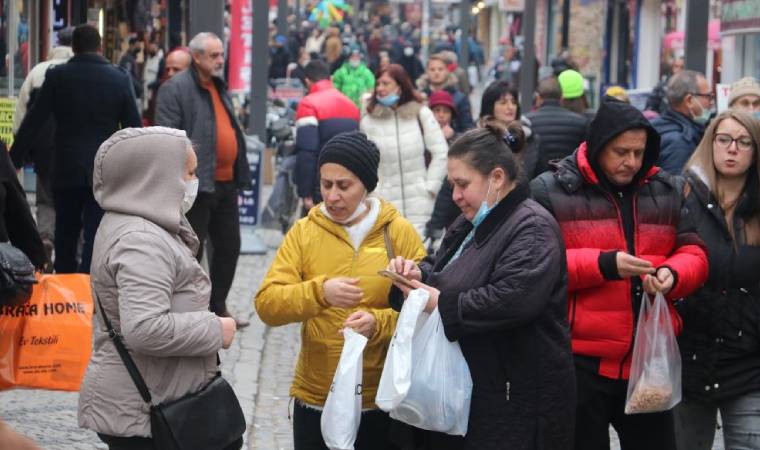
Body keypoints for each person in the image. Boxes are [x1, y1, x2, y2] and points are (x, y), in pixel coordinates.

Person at [530, 97, 709, 450]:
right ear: (597, 148)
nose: (631, 162)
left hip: (648, 360)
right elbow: (536, 264)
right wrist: (604, 265)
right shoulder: (549, 190)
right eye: (620, 152)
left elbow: (694, 251)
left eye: (639, 152)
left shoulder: (667, 189)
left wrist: (673, 274)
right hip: (579, 361)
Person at [387, 122, 575, 449]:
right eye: (452, 185)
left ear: (497, 178)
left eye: (463, 184)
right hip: (481, 391)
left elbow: (512, 300)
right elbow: (445, 264)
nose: (456, 196)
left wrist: (438, 302)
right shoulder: (475, 218)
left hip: (517, 399)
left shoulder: (531, 227)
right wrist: (416, 273)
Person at [256, 131, 426, 450]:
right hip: (316, 394)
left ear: (366, 186)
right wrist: (320, 293)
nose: (332, 196)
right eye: (325, 184)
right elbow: (267, 304)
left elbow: (424, 310)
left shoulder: (397, 233)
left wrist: (378, 323)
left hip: (380, 398)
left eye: (344, 186)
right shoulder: (304, 232)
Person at [78, 127, 239, 450]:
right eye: (189, 173)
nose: (193, 183)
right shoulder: (142, 240)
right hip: (144, 410)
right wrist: (216, 328)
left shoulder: (141, 224)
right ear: (156, 177)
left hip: (154, 395)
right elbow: (145, 327)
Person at [13, 24, 142, 274]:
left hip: (65, 165)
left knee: (65, 232)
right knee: (95, 232)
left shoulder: (57, 76)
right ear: (101, 46)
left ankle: (66, 285)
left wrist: (13, 159)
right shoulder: (119, 78)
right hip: (103, 168)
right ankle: (89, 286)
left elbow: (33, 122)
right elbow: (133, 128)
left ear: (73, 48)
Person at [673, 110, 760, 450]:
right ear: (711, 144)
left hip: (749, 362)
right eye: (724, 140)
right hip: (689, 357)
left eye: (743, 142)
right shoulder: (681, 196)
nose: (732, 149)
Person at [155, 32, 252, 328]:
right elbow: (167, 135)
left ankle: (217, 306)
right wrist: (185, 175)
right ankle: (188, 311)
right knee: (190, 251)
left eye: (222, 55)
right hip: (197, 183)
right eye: (214, 55)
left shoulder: (218, 86)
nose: (220, 60)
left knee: (229, 246)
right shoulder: (176, 89)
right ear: (196, 57)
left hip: (225, 182)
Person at [10, 26, 73, 268]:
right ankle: (72, 249)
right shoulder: (81, 70)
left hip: (45, 149)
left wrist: (19, 150)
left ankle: (46, 237)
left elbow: (21, 115)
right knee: (73, 201)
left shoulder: (38, 71)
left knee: (46, 199)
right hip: (76, 151)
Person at [360, 64, 448, 237]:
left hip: (421, 204)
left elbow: (441, 152)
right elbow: (366, 163)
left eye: (386, 83)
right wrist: (375, 192)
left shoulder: (420, 114)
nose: (380, 88)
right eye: (378, 84)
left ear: (400, 86)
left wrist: (431, 187)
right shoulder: (368, 121)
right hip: (385, 205)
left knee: (420, 257)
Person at [294, 60, 360, 210]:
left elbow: (307, 152)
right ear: (329, 78)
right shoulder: (351, 105)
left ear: (307, 81)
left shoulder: (308, 104)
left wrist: (306, 192)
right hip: (348, 185)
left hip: (323, 186)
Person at [652, 70, 712, 174]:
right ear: (689, 100)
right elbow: (675, 187)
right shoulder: (680, 142)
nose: (711, 102)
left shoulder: (661, 124)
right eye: (708, 97)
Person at [526, 76, 588, 178]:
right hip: (569, 183)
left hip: (536, 182)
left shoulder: (528, 121)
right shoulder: (580, 122)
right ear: (561, 98)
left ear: (538, 98)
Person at [479, 80, 539, 179]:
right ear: (490, 106)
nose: (510, 107)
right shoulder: (478, 138)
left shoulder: (529, 136)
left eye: (514, 102)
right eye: (503, 103)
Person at [425, 90, 461, 243]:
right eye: (437, 110)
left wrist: (452, 138)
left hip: (449, 202)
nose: (441, 115)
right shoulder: (422, 137)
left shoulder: (458, 139)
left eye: (445, 111)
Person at [416, 53, 474, 132]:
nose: (436, 72)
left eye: (440, 69)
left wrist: (453, 135)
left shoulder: (460, 98)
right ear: (427, 71)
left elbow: (468, 129)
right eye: (432, 69)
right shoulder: (419, 97)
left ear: (447, 70)